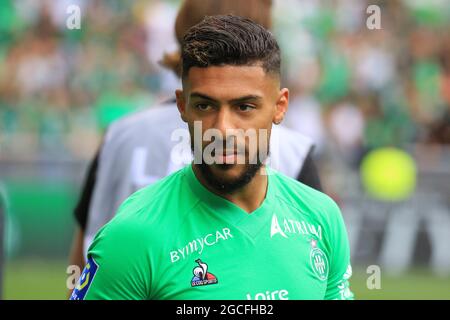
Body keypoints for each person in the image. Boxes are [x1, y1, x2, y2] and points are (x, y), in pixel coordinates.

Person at [70, 15, 353, 300]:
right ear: (182, 106)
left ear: (279, 107)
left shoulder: (321, 217)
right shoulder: (132, 236)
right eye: (205, 105)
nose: (223, 130)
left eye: (244, 106)